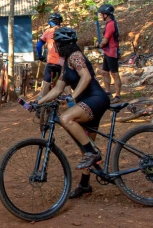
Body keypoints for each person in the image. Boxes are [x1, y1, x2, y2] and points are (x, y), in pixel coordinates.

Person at [36, 27, 110, 199]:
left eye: (57, 45)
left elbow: (86, 77)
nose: (55, 48)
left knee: (66, 118)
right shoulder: (66, 62)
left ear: (63, 45)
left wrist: (72, 97)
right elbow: (58, 89)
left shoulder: (76, 56)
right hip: (89, 102)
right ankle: (85, 185)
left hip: (95, 98)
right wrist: (38, 101)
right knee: (86, 145)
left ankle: (93, 153)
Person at [36, 12, 64, 99]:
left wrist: (40, 56)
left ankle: (40, 103)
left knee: (45, 83)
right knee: (66, 84)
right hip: (62, 63)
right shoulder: (64, 31)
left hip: (51, 61)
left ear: (50, 22)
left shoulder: (48, 32)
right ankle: (71, 105)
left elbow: (38, 45)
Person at [97, 3, 121, 102]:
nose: (100, 16)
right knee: (104, 72)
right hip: (107, 52)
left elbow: (105, 40)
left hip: (112, 51)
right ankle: (107, 92)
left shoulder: (111, 24)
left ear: (106, 14)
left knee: (114, 74)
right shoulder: (109, 24)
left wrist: (99, 45)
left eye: (101, 14)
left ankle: (118, 95)